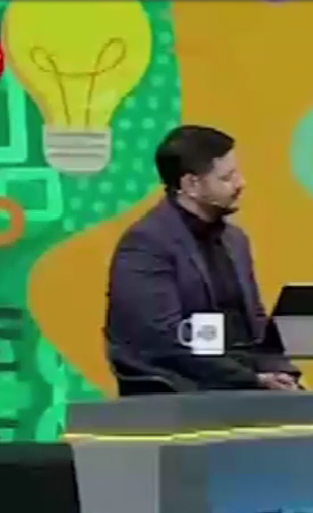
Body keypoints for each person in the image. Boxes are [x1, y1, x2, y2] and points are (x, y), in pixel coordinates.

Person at [103, 125, 301, 394]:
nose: (241, 183)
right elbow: (162, 344)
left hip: (243, 385)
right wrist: (252, 380)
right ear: (191, 185)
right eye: (227, 177)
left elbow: (256, 328)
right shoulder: (145, 245)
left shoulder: (235, 240)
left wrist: (281, 372)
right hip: (180, 390)